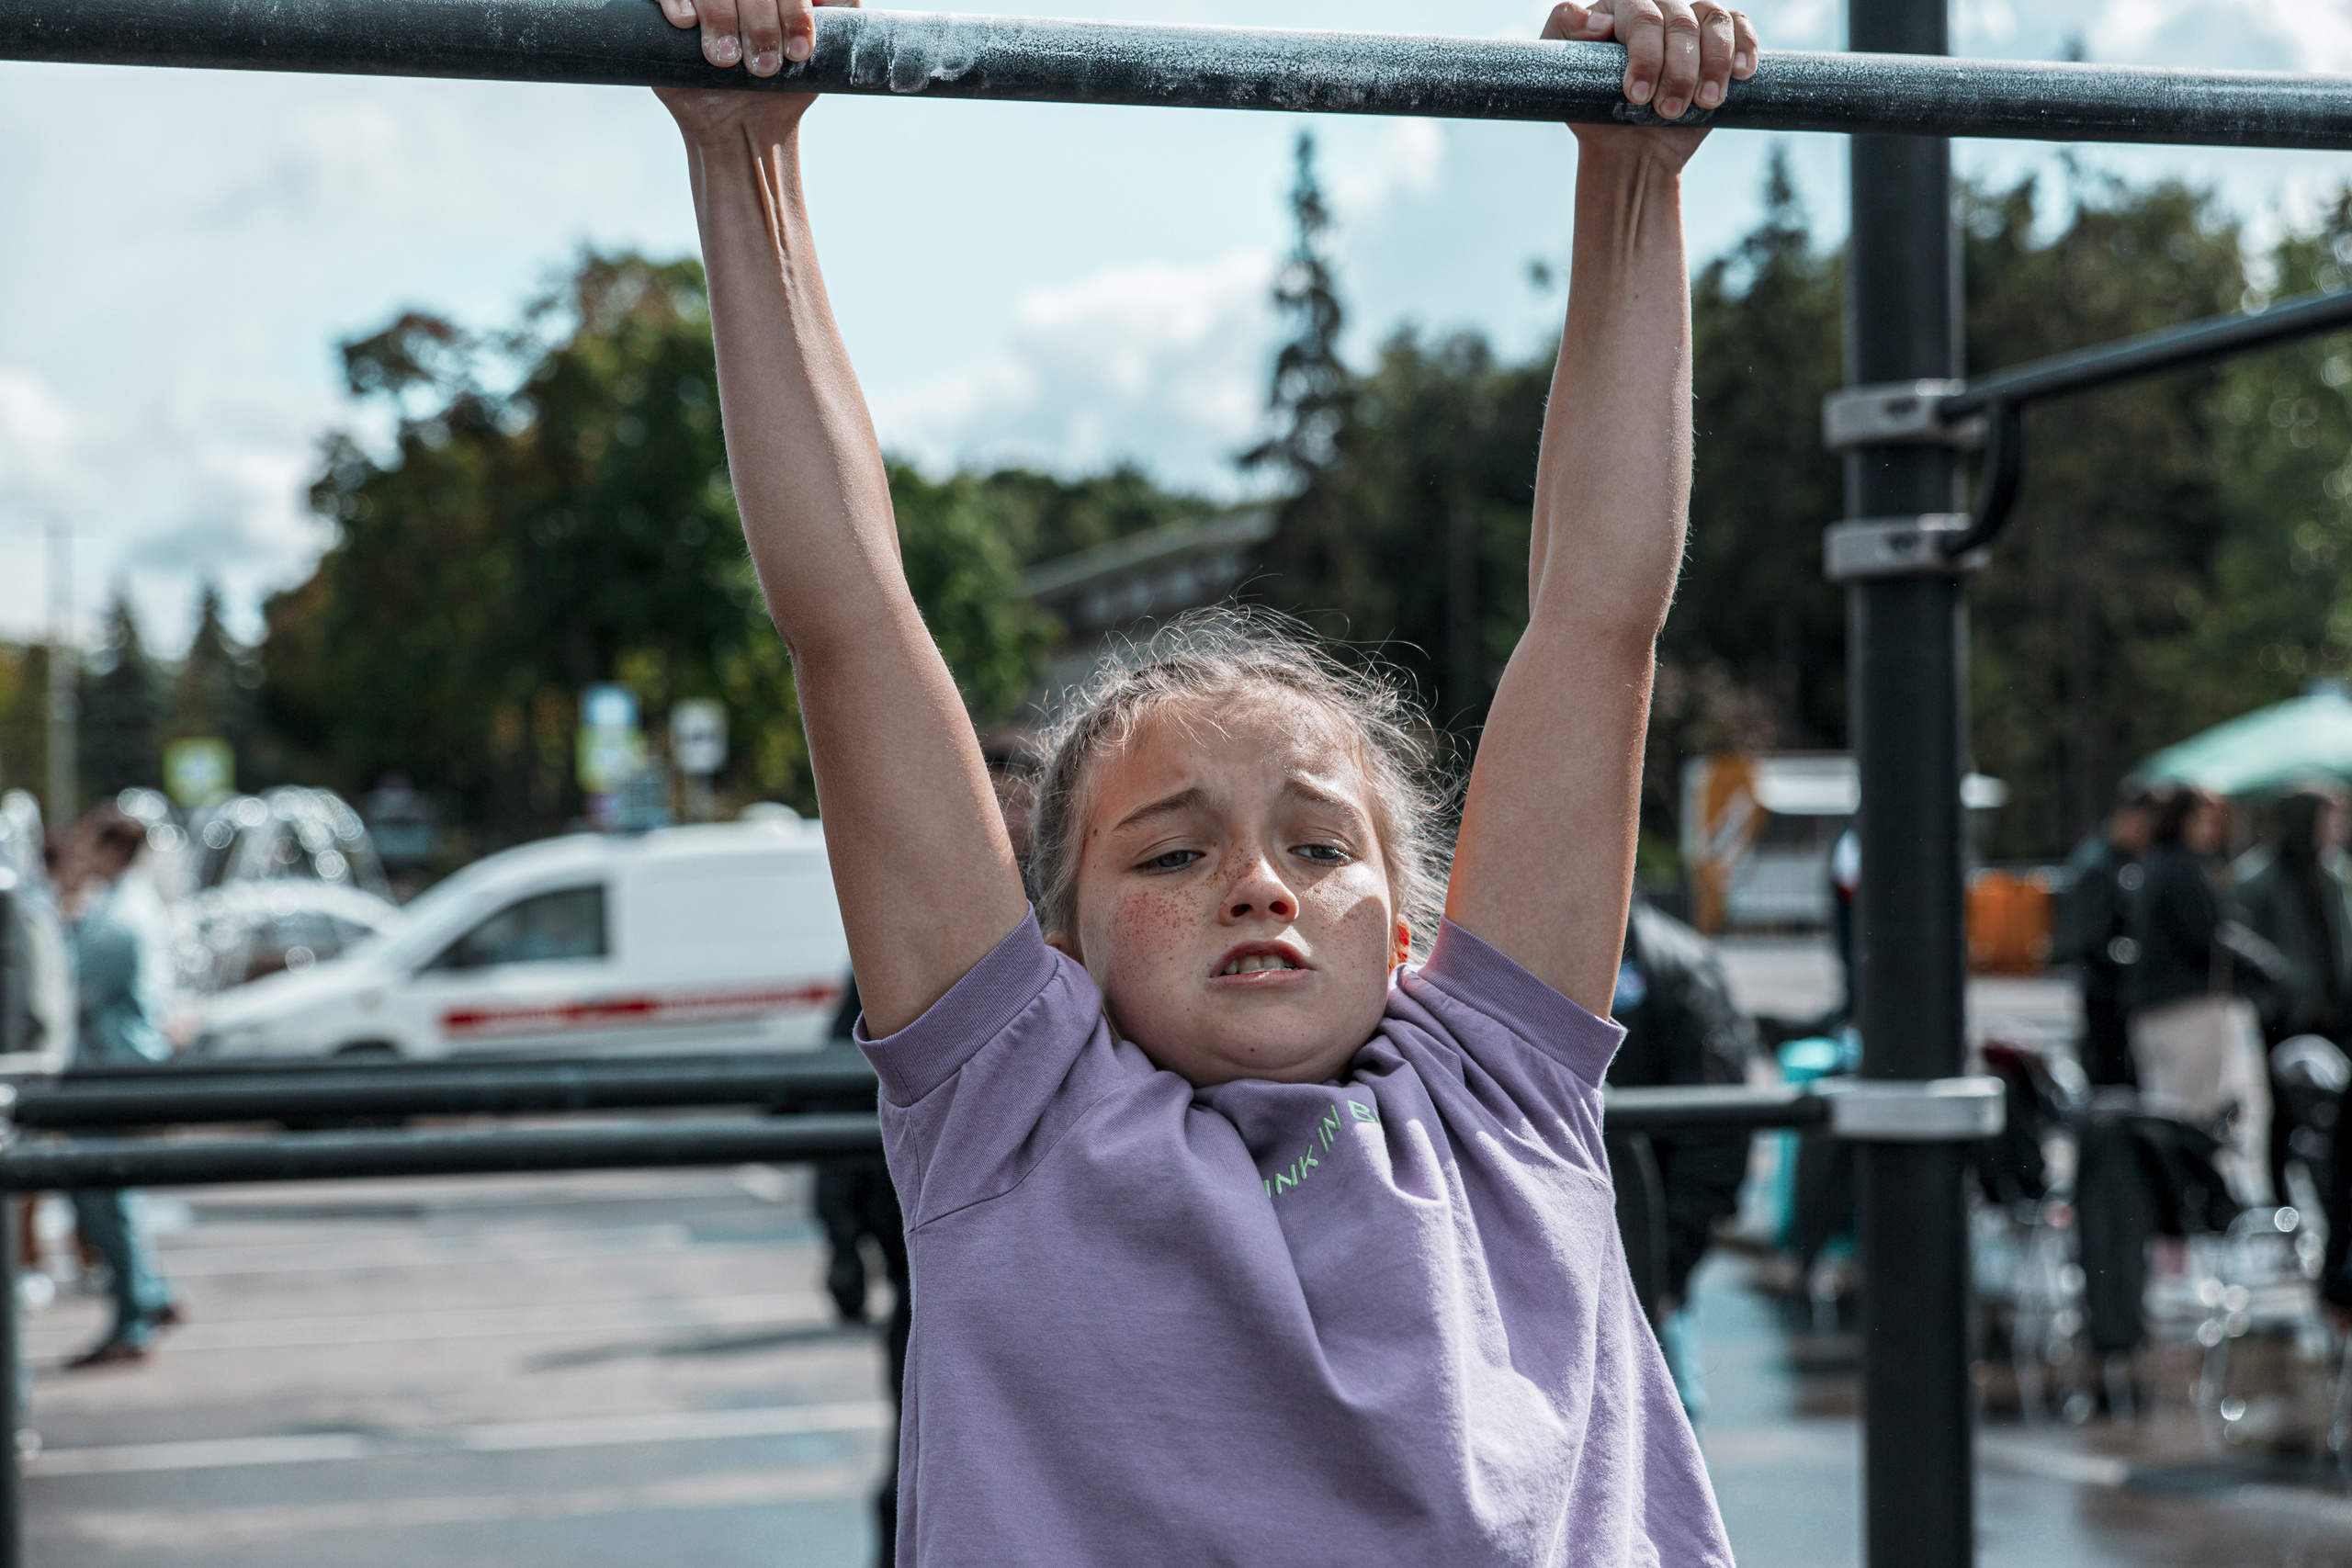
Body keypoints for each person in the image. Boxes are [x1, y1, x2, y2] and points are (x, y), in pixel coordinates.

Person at [652, 0, 1754, 1557]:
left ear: (1411, 914)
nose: (1258, 883)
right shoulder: (1013, 1110)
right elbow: (849, 622)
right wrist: (745, 153)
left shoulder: (1494, 1089)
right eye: (1168, 857)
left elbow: (1598, 617)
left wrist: (1634, 181)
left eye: (1319, 846)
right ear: (1062, 941)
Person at [1607, 899, 1758, 1421]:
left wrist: (1667, 1272)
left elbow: (1718, 1134)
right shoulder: (1511, 946)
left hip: (1649, 1276)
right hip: (1546, 1282)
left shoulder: (1676, 964)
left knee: (1662, 1446)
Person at [58, 807, 181, 1368]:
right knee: (111, 1192)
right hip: (118, 1062)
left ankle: (137, 1314)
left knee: (106, 1194)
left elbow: (72, 988)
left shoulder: (115, 917)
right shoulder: (125, 903)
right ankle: (148, 1297)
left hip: (112, 1068)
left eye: (88, 843)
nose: (77, 853)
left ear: (111, 851)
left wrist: (65, 904)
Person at [2124, 786, 2284, 1202]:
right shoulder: (2184, 867)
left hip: (2155, 1009)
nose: (2213, 830)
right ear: (2183, 821)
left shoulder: (2155, 864)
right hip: (2186, 1009)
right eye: (2205, 819)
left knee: (2164, 1117)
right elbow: (2206, 935)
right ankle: (2181, 1214)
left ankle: (2167, 1212)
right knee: (2187, 1124)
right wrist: (2263, 967)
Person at [2233, 785, 2352, 1196]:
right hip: (2286, 1016)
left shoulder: (2335, 874)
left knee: (2338, 1118)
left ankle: (2333, 1201)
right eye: (2328, 817)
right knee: (2284, 1113)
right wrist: (2274, 994)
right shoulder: (2258, 878)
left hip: (2337, 1012)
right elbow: (2239, 946)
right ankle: (2281, 1202)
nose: (2337, 827)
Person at [2057, 789, 2161, 1088]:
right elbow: (2091, 939)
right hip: (2105, 993)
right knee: (2109, 1079)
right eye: (2143, 827)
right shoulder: (2099, 865)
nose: (2146, 837)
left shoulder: (2117, 861)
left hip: (2113, 991)